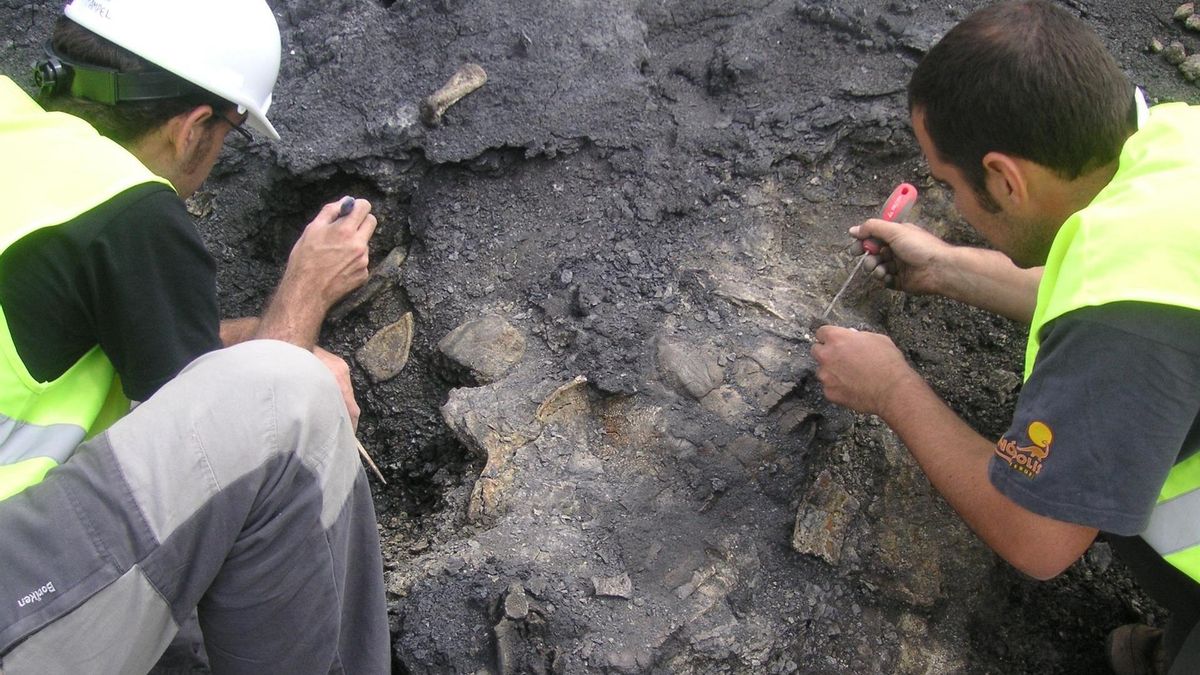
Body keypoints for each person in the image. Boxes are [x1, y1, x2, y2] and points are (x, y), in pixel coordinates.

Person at [810, 2, 1200, 674]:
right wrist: (945, 267)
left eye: (950, 186)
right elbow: (1102, 290)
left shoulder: (1128, 317)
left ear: (1005, 178)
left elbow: (1040, 540)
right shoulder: (1169, 144)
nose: (951, 204)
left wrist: (893, 389)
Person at [0, 0, 389, 672]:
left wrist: (244, 339)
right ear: (193, 128)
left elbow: (106, 349)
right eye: (231, 133)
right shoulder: (124, 210)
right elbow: (214, 451)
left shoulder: (22, 137)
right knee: (292, 402)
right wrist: (305, 292)